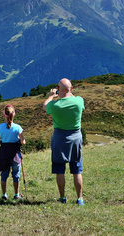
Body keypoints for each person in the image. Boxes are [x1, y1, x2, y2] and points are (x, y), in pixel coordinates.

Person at [42, 78, 85, 206]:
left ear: (58, 89)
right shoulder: (79, 101)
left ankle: (62, 197)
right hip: (75, 138)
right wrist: (68, 92)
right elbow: (76, 99)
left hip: (59, 138)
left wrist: (51, 96)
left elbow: (44, 107)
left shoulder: (55, 106)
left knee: (60, 169)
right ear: (71, 89)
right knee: (77, 170)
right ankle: (79, 198)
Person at [0, 104, 26, 200]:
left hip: (4, 153)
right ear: (14, 114)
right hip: (15, 154)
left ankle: (4, 195)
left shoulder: (0, 127)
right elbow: (23, 142)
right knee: (16, 175)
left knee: (4, 175)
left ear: (4, 115)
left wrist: (3, 142)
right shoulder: (18, 128)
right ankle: (16, 195)